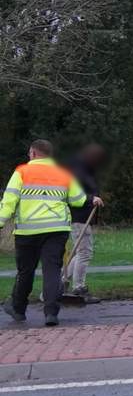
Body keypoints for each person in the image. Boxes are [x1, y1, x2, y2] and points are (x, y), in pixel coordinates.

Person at [1, 140, 88, 327]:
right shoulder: (64, 173)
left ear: (32, 153)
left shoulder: (22, 172)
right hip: (56, 230)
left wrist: (0, 222)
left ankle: (18, 309)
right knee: (52, 270)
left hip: (27, 231)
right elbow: (78, 200)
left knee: (25, 271)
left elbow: (9, 201)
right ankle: (51, 313)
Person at [63, 143, 107, 303]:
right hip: (79, 218)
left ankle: (60, 283)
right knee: (84, 253)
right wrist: (91, 199)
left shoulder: (85, 171)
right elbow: (72, 194)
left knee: (80, 252)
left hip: (83, 218)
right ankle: (78, 288)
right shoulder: (78, 172)